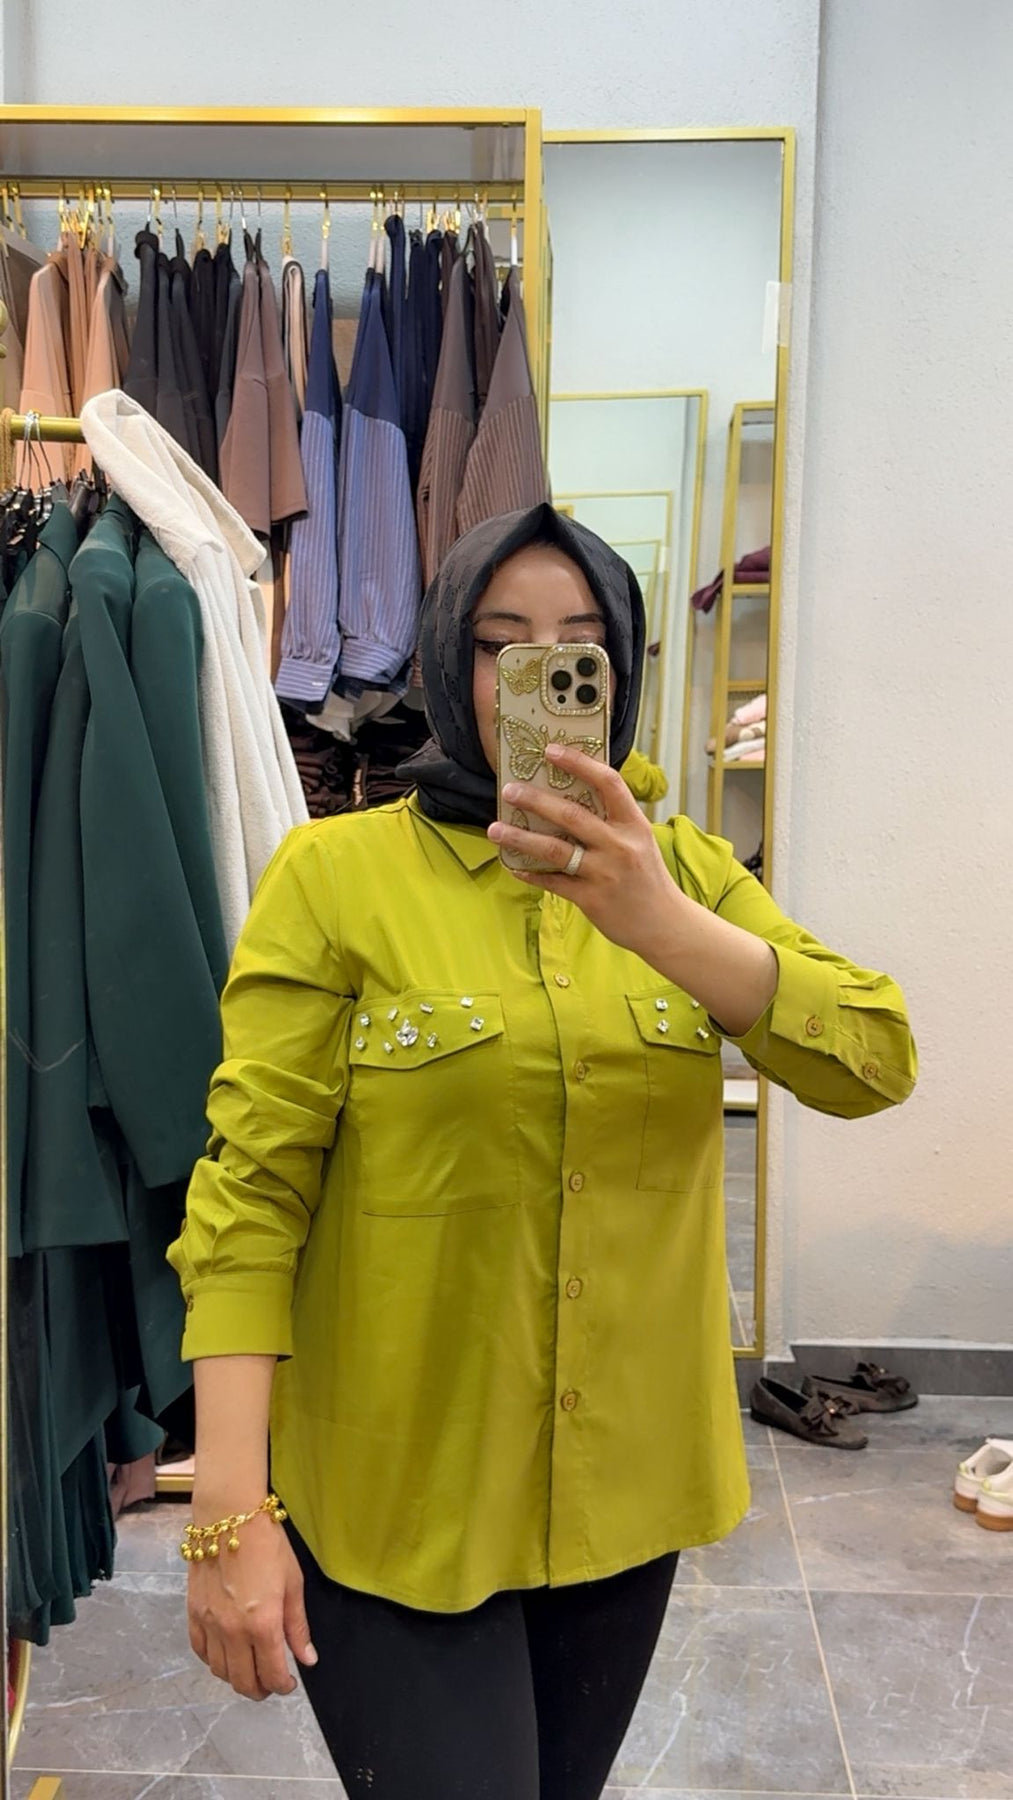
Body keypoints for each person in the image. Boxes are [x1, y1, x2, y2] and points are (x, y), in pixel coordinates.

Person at [168, 503, 917, 1800]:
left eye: (579, 647)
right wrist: (228, 1505)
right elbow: (250, 1193)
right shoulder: (333, 878)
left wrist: (656, 920)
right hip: (400, 1490)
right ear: (445, 661)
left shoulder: (684, 875)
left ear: (618, 671)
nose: (542, 675)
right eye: (501, 644)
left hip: (624, 1490)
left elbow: (874, 1058)